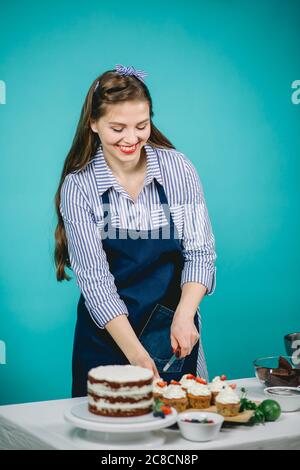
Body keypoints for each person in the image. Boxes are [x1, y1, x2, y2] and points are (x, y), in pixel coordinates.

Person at [54, 64, 217, 397]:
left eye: (141, 126)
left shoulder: (177, 168)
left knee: (175, 431)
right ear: (94, 124)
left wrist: (185, 316)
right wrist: (136, 355)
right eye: (117, 128)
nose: (131, 139)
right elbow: (95, 282)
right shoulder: (80, 187)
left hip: (170, 334)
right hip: (107, 340)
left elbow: (200, 252)